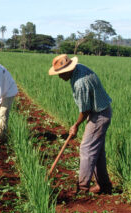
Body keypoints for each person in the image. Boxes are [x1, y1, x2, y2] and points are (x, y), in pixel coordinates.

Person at [48, 54, 113, 194]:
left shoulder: (80, 83)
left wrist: (76, 125)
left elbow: (85, 110)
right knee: (97, 151)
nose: (59, 77)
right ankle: (104, 186)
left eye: (60, 74)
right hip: (101, 111)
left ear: (68, 70)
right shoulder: (79, 68)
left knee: (87, 148)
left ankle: (82, 188)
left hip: (99, 115)